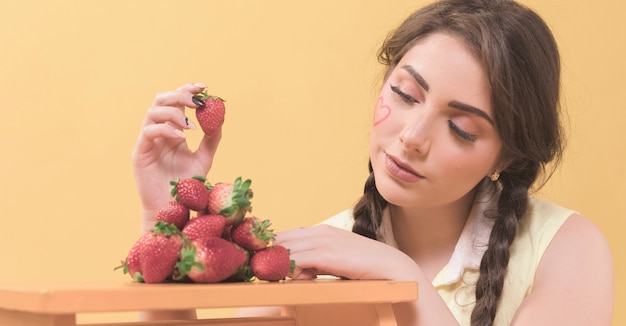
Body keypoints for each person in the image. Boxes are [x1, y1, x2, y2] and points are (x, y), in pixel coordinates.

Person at [131, 0, 614, 325]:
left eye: (462, 128)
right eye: (405, 94)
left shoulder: (565, 249)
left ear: (507, 154)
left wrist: (397, 274)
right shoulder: (318, 255)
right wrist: (165, 224)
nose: (412, 137)